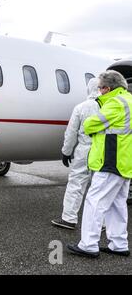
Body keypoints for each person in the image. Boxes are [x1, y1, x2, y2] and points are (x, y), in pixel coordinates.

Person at [68, 70, 132, 258]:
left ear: (108, 88)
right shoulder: (129, 99)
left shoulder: (115, 102)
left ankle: (88, 244)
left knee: (94, 201)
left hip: (110, 160)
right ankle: (119, 244)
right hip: (124, 161)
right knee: (117, 204)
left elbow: (90, 125)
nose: (99, 92)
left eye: (101, 88)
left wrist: (92, 124)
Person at [51, 78, 100, 230]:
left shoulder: (81, 107)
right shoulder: (108, 106)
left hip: (84, 150)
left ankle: (69, 219)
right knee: (99, 186)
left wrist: (66, 152)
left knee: (76, 183)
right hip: (102, 150)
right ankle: (101, 222)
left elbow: (71, 132)